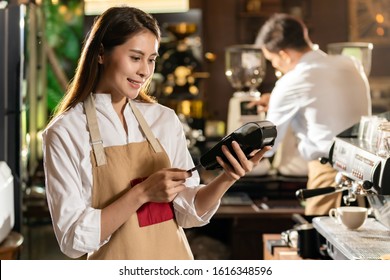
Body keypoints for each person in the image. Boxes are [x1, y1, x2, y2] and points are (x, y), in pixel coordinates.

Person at [42, 6, 270, 260]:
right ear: (101, 54)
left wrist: (228, 177)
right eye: (135, 57)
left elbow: (187, 212)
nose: (145, 71)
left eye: (151, 59)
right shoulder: (65, 132)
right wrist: (142, 193)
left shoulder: (163, 119)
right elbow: (73, 239)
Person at [251, 13, 371, 216]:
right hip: (368, 176)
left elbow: (267, 146)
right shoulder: (350, 64)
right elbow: (326, 101)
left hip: (328, 177)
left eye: (272, 61)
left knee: (318, 244)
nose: (275, 67)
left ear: (284, 55)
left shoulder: (290, 82)